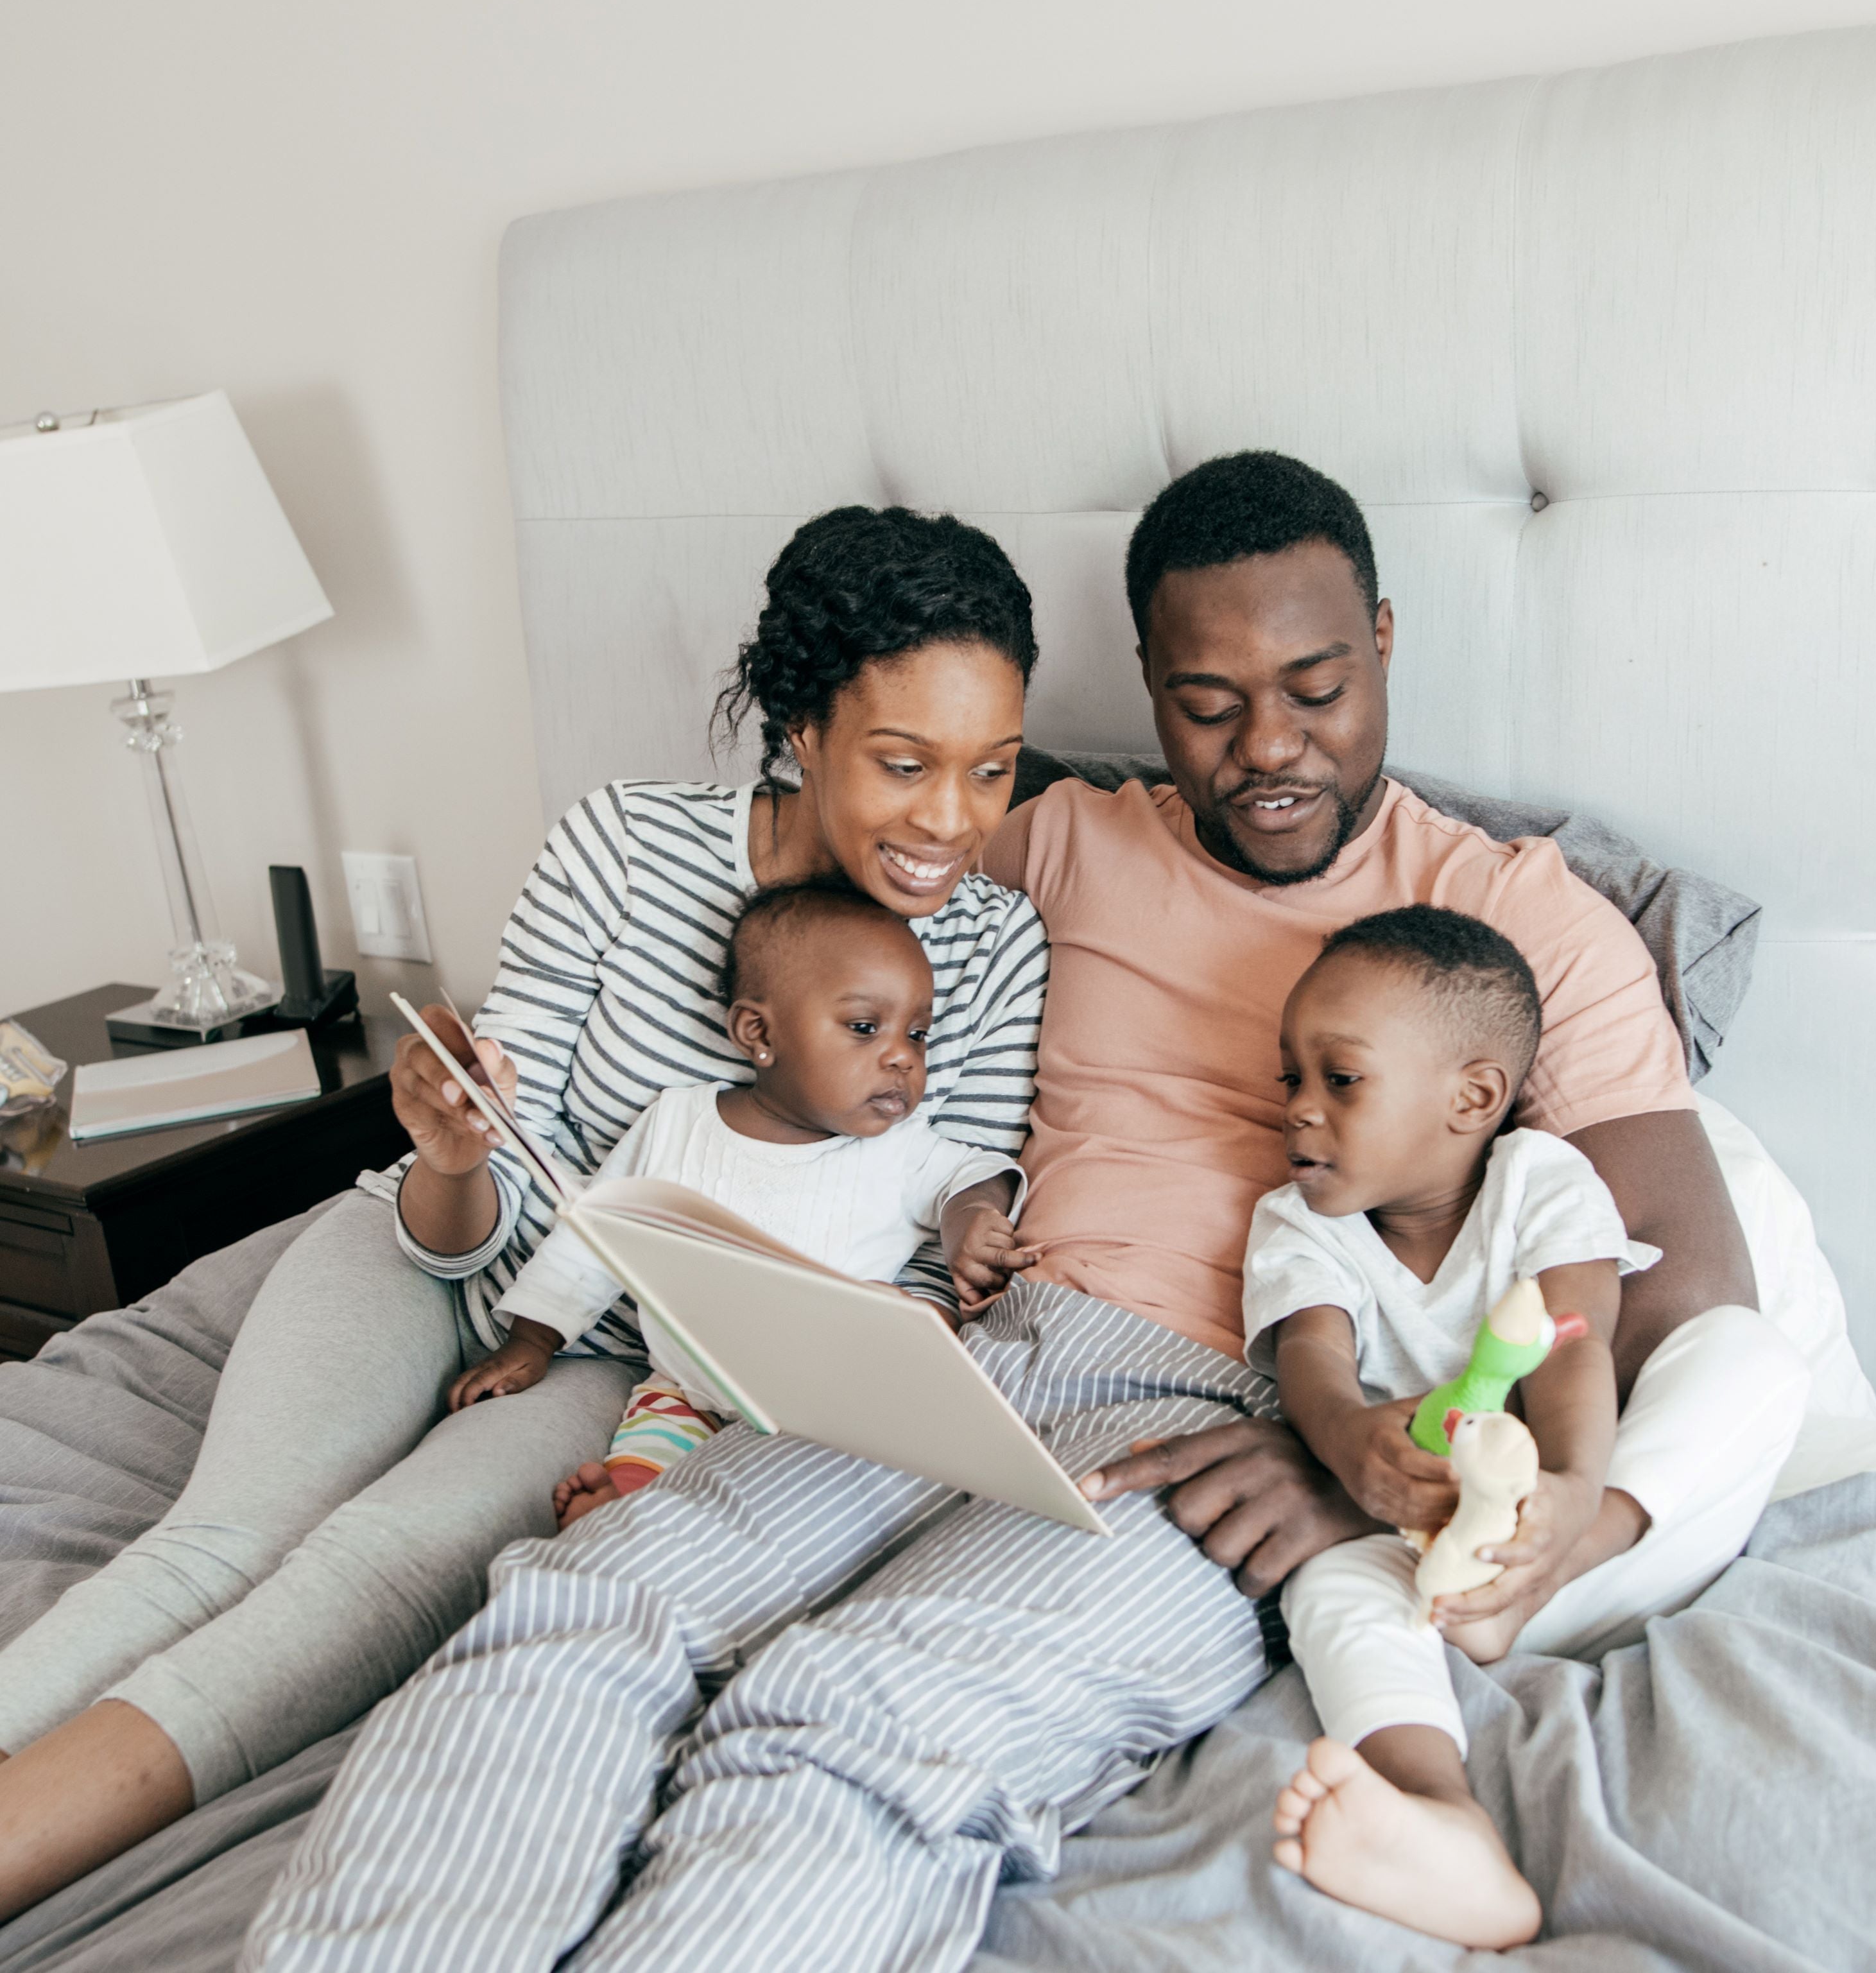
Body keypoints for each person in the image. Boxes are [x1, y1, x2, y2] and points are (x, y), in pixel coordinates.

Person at [246, 451, 1764, 1970]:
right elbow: (844, 857)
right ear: (1153, 690)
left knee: (855, 1721)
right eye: (1208, 705)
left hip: (1219, 1417)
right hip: (951, 1354)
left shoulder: (1528, 924)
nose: (1269, 749)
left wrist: (1378, 1471)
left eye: (1315, 687)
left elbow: (1682, 1298)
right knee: (569, 1614)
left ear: (1381, 637)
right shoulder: (1053, 841)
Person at [0, 506, 1047, 1919]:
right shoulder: (620, 845)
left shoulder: (992, 947)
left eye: (992, 770)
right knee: (222, 1539)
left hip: (628, 1360)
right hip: (433, 1248)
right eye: (903, 762)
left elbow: (943, 1216)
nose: (950, 821)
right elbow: (476, 1198)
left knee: (360, 1575)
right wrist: (446, 1149)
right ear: (802, 725)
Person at [1253, 906, 1808, 1947]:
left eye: (1342, 1080)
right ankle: (1438, 1816)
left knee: (1750, 1357)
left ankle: (1551, 1571)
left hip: (1596, 1544)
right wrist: (1353, 1450)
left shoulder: (1542, 1184)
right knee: (1330, 1589)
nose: (1300, 1112)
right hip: (1438, 1584)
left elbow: (1569, 1348)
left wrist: (1570, 1504)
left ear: (1472, 1098)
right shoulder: (1298, 1226)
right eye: (1291, 1079)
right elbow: (1314, 1368)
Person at [444, 874, 1026, 1528]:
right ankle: (624, 1511)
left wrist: (971, 1221)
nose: (901, 1058)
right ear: (758, 1032)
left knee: (826, 1488)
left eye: (917, 1034)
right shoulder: (677, 1123)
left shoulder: (898, 1148)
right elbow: (598, 1233)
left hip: (825, 1411)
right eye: (865, 1027)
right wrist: (533, 1336)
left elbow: (975, 1173)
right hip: (684, 1390)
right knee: (651, 1451)